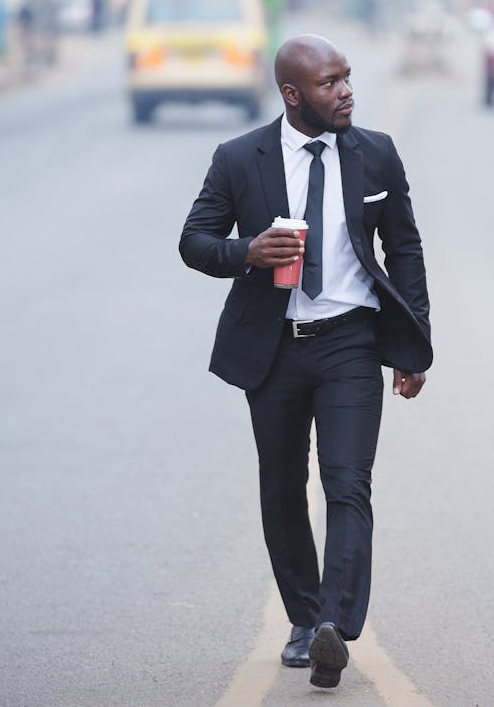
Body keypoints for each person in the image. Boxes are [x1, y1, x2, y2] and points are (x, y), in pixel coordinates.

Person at [179, 34, 432, 689]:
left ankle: (332, 626)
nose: (346, 90)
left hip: (351, 341)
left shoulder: (375, 153)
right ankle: (301, 617)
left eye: (346, 77)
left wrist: (413, 344)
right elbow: (193, 240)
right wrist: (246, 252)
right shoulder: (240, 158)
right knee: (283, 487)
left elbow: (404, 248)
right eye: (329, 82)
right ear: (293, 94)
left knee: (347, 483)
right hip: (275, 348)